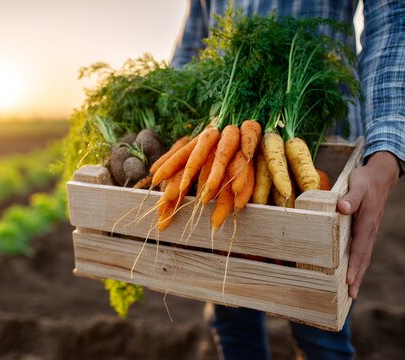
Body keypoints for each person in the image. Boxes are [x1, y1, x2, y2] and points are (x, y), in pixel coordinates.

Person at [171, 1, 404, 359]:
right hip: (220, 160)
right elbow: (192, 45)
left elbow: (393, 21)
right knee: (230, 318)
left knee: (319, 329)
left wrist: (385, 152)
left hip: (322, 142)